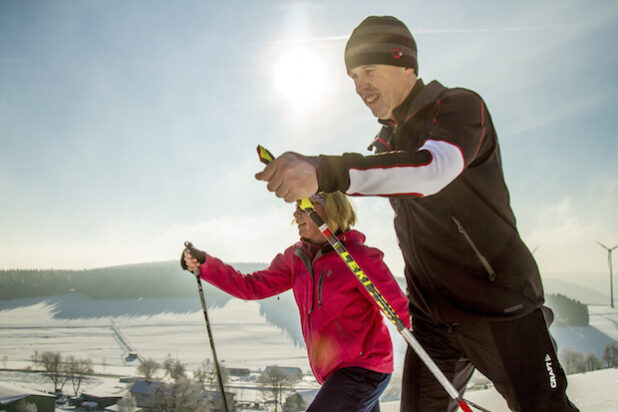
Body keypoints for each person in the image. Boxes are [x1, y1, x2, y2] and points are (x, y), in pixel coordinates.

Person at [255, 15, 579, 412]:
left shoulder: (460, 107)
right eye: (353, 76)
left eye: (369, 70)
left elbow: (432, 169)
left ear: (405, 64)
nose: (360, 86)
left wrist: (324, 171)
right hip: (433, 320)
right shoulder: (385, 141)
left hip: (500, 308)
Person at [182, 191, 410, 412]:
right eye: (296, 209)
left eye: (304, 207)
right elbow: (250, 287)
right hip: (336, 373)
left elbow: (398, 306)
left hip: (364, 368)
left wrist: (430, 343)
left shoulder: (356, 256)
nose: (296, 215)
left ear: (330, 210)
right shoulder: (296, 258)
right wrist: (205, 264)